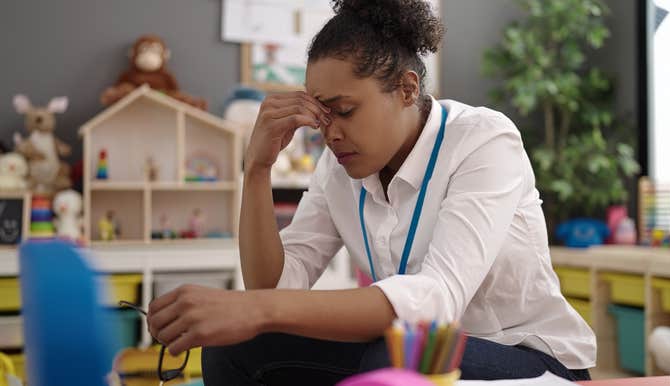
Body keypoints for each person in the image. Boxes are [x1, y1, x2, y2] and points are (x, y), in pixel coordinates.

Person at [146, 0, 596, 384]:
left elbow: (436, 300)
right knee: (233, 348)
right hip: (416, 347)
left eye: (344, 111)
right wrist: (258, 168)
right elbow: (276, 284)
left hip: (528, 357)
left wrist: (256, 309)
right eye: (322, 117)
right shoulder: (337, 168)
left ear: (406, 88)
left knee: (400, 358)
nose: (332, 134)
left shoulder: (484, 139)